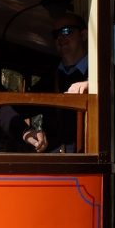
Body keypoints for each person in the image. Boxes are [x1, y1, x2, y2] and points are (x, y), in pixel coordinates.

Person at [29, 13, 89, 151]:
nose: (60, 38)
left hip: (91, 161)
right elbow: (21, 106)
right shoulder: (49, 78)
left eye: (66, 31)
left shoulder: (101, 72)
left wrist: (93, 84)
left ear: (84, 35)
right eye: (56, 34)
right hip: (56, 161)